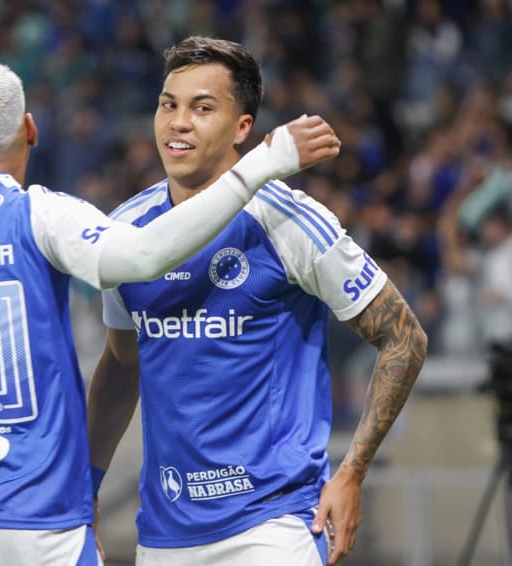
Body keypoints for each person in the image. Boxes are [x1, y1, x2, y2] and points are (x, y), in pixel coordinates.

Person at [0, 57, 340, 566]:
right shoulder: (42, 215)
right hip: (37, 511)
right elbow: (145, 255)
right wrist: (263, 165)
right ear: (30, 130)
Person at [87, 36, 428, 566]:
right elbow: (119, 361)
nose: (178, 122)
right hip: (163, 532)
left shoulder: (288, 221)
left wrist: (350, 473)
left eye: (203, 107)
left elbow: (404, 337)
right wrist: (84, 487)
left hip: (273, 528)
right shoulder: (125, 232)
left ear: (243, 128)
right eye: (168, 104)